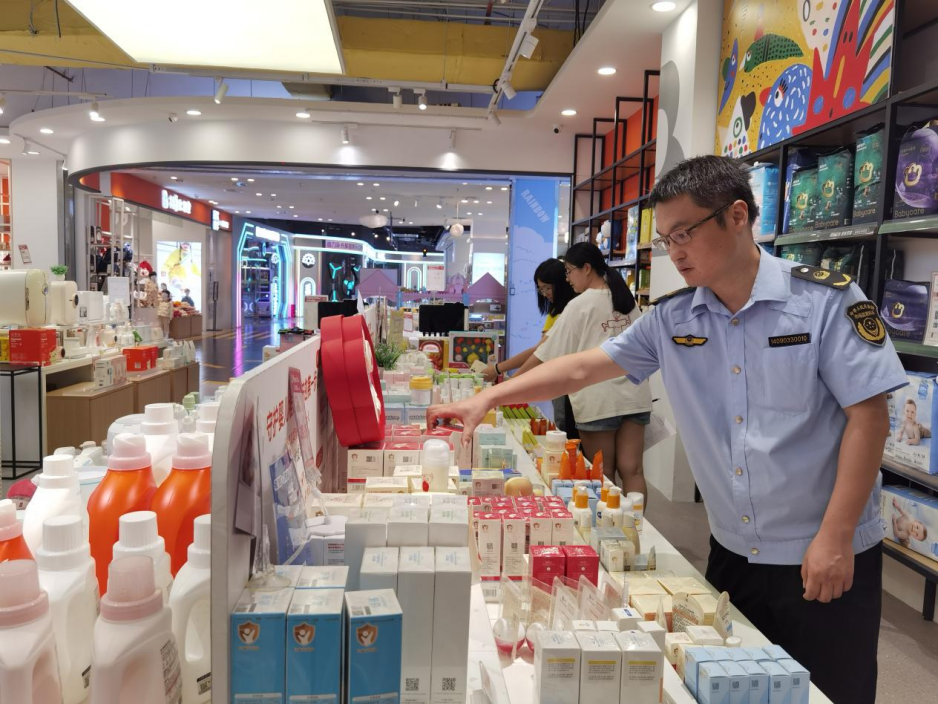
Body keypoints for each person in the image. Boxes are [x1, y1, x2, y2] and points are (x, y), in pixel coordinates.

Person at [428, 155, 906, 704]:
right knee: (731, 691)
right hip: (733, 555)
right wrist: (489, 397)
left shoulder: (824, 301)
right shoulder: (674, 318)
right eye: (666, 238)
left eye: (685, 233)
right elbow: (581, 367)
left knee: (832, 691)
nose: (674, 251)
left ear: (737, 216)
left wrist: (837, 536)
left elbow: (869, 417)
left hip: (822, 552)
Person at [517, 242, 651, 494]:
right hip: (635, 396)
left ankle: (609, 521)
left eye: (569, 271)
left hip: (598, 400)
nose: (567, 279)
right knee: (633, 471)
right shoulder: (627, 300)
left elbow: (545, 352)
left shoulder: (579, 305)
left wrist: (511, 384)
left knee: (603, 473)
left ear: (587, 268)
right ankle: (636, 521)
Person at [482, 258, 578, 433]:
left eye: (547, 288)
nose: (545, 293)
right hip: (562, 382)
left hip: (570, 384)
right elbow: (541, 351)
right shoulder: (556, 312)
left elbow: (541, 351)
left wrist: (505, 376)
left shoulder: (570, 311)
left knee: (569, 431)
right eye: (541, 289)